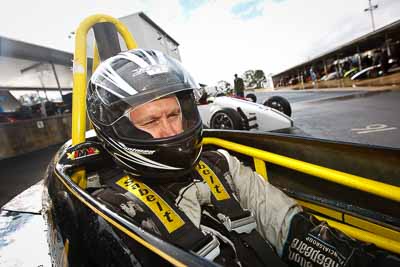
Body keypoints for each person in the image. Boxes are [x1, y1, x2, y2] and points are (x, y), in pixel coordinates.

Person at [86, 49, 399, 266]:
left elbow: (289, 226)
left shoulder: (220, 164)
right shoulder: (115, 209)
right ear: (118, 128)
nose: (170, 130)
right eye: (152, 121)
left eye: (174, 114)